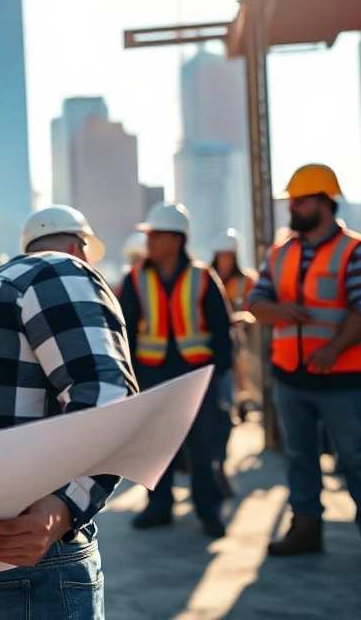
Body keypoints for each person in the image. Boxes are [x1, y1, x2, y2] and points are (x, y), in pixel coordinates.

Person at [0, 205, 137, 619]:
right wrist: (61, 510)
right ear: (79, 247)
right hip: (34, 557)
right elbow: (111, 401)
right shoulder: (62, 272)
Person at [248, 164, 361, 575]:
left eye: (300, 200)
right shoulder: (279, 253)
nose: (292, 207)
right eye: (291, 200)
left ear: (325, 202)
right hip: (290, 377)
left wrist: (333, 348)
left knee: (355, 459)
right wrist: (278, 309)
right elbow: (255, 300)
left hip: (341, 379)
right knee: (299, 457)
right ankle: (306, 528)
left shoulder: (357, 251)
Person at [118, 203, 232, 538]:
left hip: (197, 377)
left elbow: (222, 331)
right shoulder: (136, 277)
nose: (149, 241)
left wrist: (217, 375)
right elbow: (125, 331)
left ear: (176, 239)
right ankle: (159, 506)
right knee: (156, 447)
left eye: (155, 235)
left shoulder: (202, 277)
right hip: (151, 376)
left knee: (201, 446)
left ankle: (208, 511)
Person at [210, 227, 260, 496]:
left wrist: (243, 316)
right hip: (207, 354)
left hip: (232, 351)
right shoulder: (205, 278)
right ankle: (210, 467)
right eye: (221, 255)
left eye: (229, 255)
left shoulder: (246, 281)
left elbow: (257, 307)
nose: (225, 260)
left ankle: (220, 467)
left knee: (225, 410)